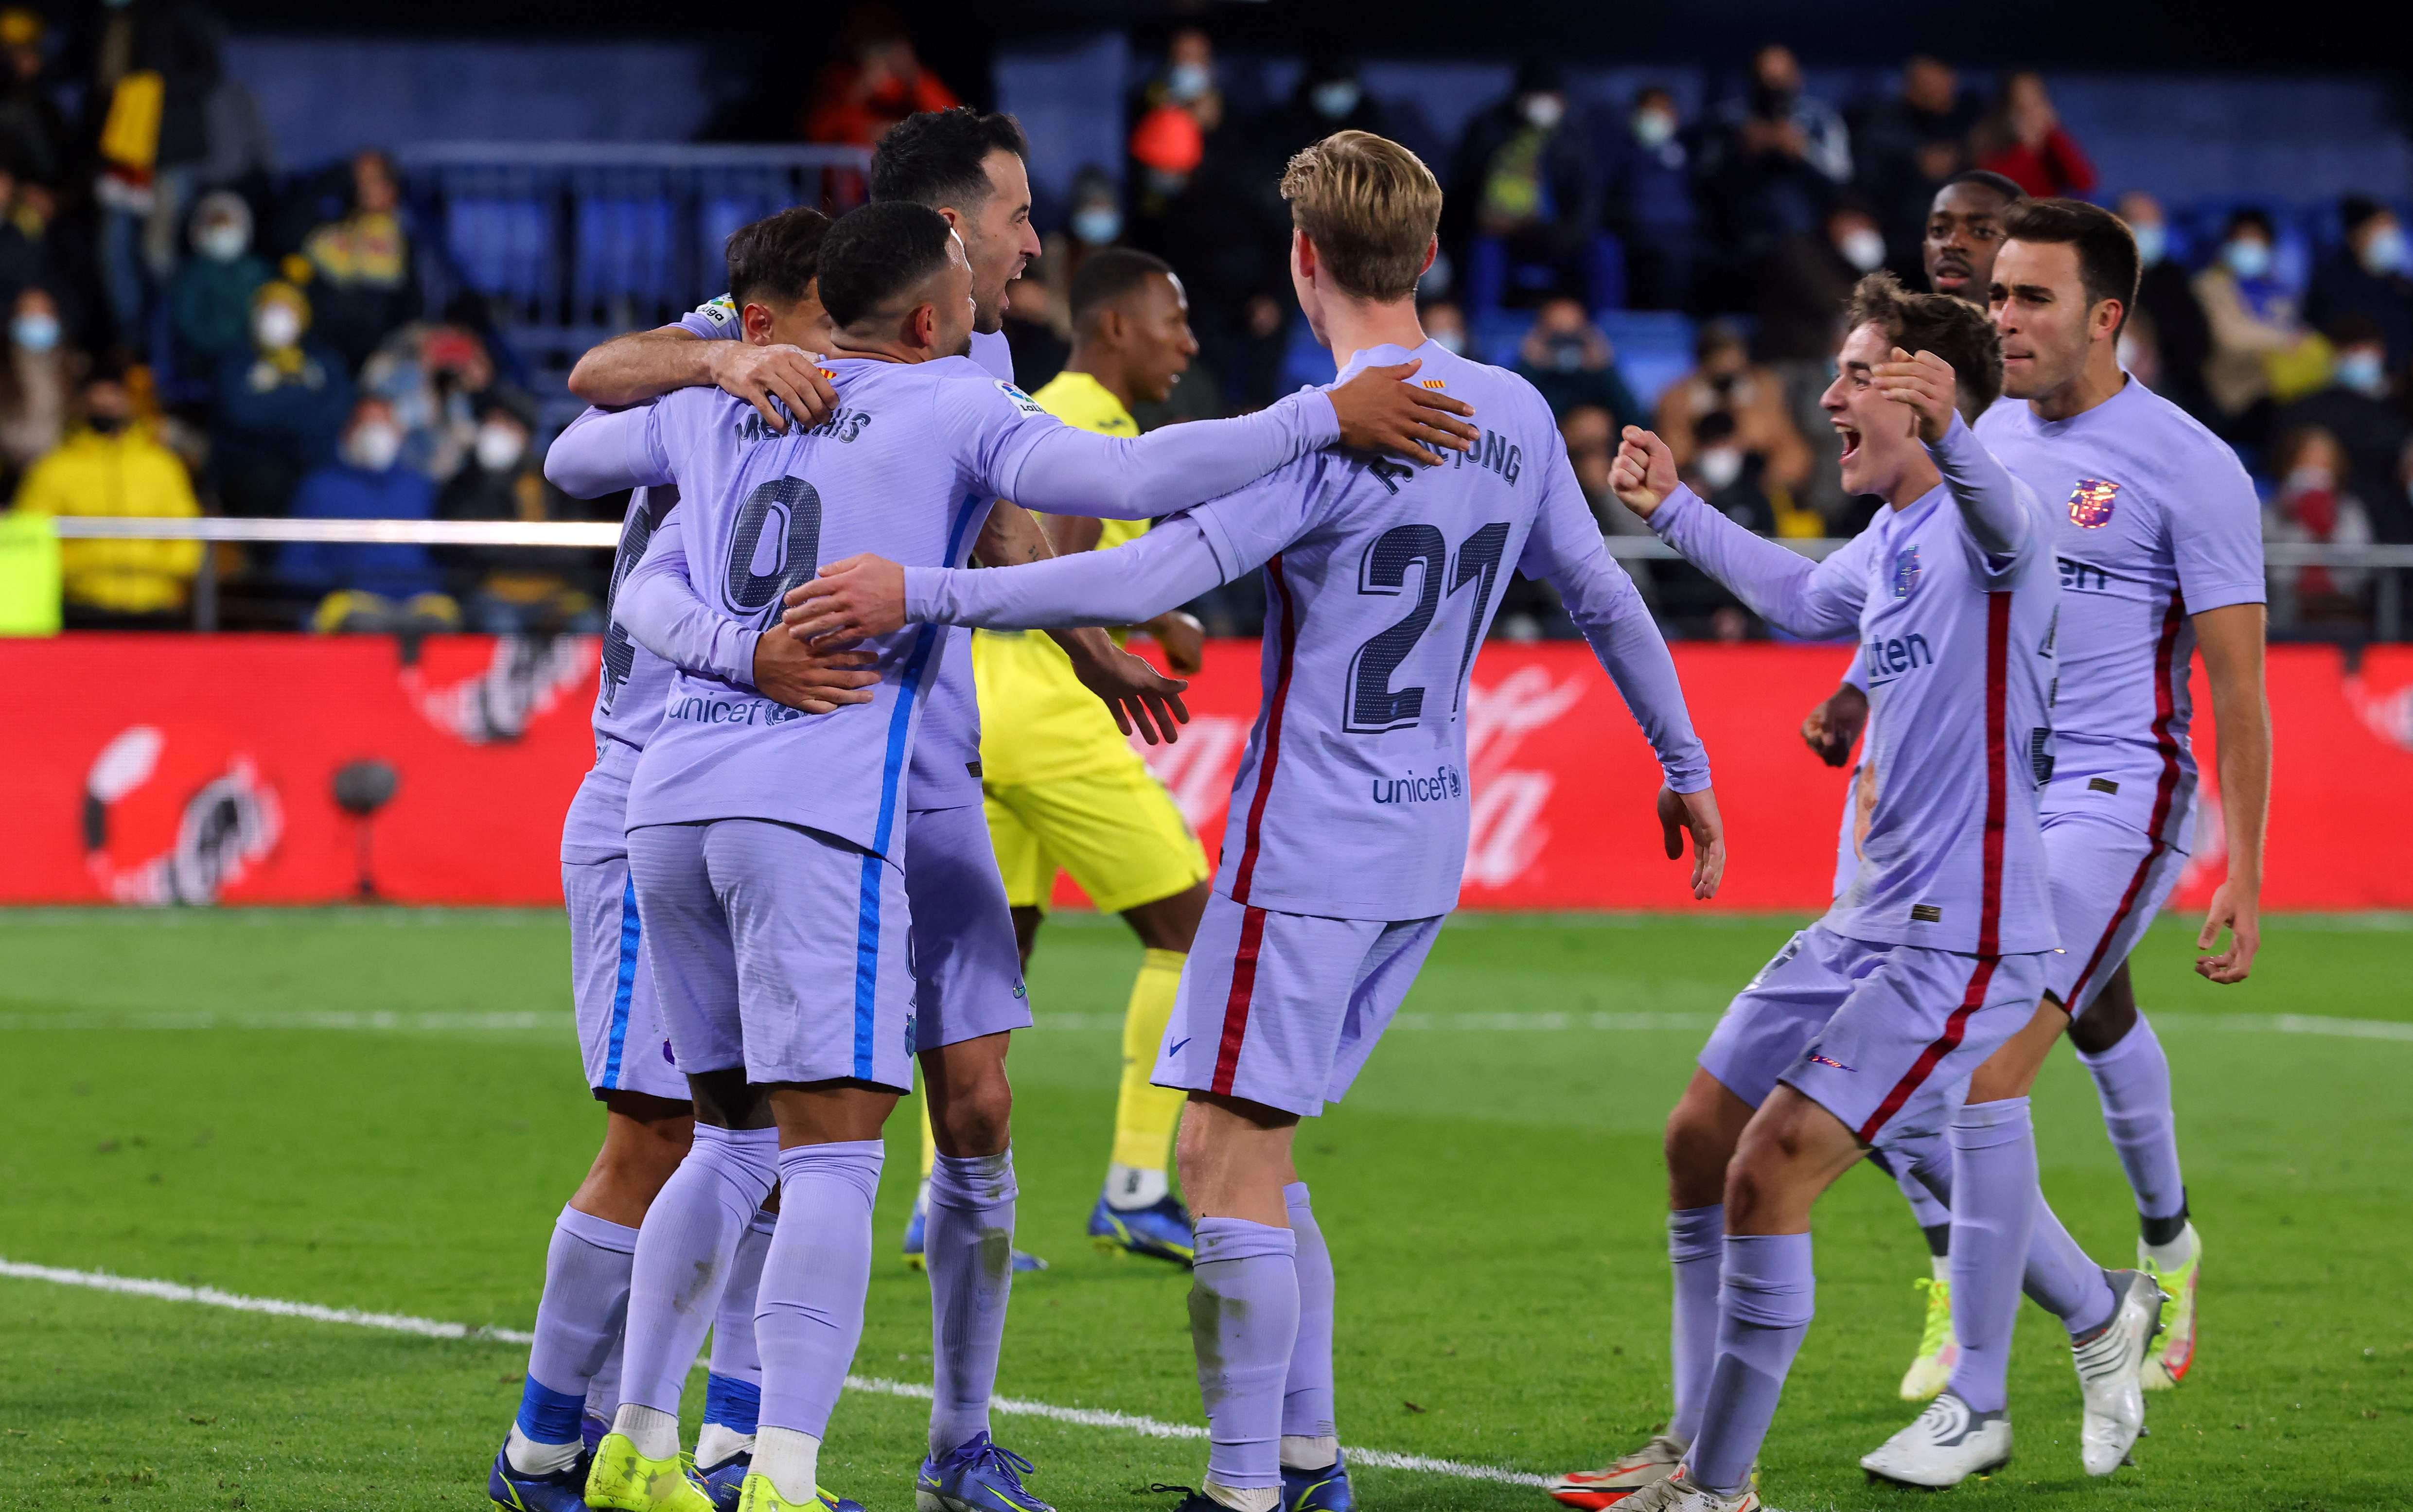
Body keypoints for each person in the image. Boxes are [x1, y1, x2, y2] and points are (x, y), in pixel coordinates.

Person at [782, 129, 1721, 1512]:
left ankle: (1244, 1490)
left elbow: (1148, 569)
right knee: (1259, 1150)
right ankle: (1305, 1458)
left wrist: (919, 591)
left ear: (1299, 258)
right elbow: (1599, 592)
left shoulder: (1339, 423)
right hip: (1424, 841)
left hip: (1311, 844)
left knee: (1220, 1155)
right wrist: (1685, 756)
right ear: (1429, 252)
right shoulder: (1514, 409)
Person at [546, 194, 1473, 1512]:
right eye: (974, 292)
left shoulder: (738, 399)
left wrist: (715, 376)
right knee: (834, 1152)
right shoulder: (951, 404)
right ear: (927, 315)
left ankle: (637, 1440)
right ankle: (784, 1477)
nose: (994, 305)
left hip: (671, 795)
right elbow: (1138, 484)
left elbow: (605, 502)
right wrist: (1325, 414)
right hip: (811, 806)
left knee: (729, 1135)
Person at [1555, 275, 2060, 1512]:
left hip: (1956, 933)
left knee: (1770, 1171)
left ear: (1923, 393)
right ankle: (1687, 1441)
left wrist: (1953, 430)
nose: (1827, 398)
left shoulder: (2002, 523)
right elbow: (1795, 601)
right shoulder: (1893, 539)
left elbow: (2002, 518)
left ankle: (1717, 1490)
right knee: (1698, 1140)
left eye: (1854, 377)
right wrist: (1674, 506)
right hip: (1860, 923)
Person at [1855, 197, 2270, 1483]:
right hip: (1989, 798)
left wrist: (2242, 869)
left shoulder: (2186, 461)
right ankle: (2103, 1303)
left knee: (1978, 1073)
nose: (2003, 317)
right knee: (1880, 1087)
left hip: (2115, 798)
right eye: (1998, 295)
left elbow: (2239, 690)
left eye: (2032, 299)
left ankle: (1976, 1400)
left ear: (2107, 317)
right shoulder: (1979, 444)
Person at [485, 209, 881, 1512]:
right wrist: (715, 358)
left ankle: (723, 1443)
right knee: (661, 1129)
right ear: (765, 317)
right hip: (658, 785)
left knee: (780, 1138)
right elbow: (577, 426)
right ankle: (548, 1443)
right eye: (827, 322)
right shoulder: (703, 377)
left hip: (785, 798)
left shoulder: (892, 383)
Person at [964, 246, 1219, 1263]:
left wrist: (1153, 605)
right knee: (1195, 931)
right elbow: (1053, 563)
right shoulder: (1096, 421)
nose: (1187, 345)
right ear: (1116, 327)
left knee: (992, 964)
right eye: (1174, 323)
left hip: (981, 714)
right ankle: (1135, 1183)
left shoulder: (1035, 401)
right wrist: (1153, 618)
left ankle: (950, 1203)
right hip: (1053, 712)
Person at [14, 366, 203, 627]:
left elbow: (188, 536)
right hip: (81, 608)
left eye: (114, 396)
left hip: (156, 608)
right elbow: (28, 538)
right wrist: (79, 572)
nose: (106, 405)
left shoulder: (162, 466)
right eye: (97, 398)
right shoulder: (54, 468)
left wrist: (156, 570)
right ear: (82, 404)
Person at [278, 395, 457, 632]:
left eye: (383, 424)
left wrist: (427, 585)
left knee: (442, 625)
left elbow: (445, 559)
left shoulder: (421, 487)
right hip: (351, 604)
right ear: (348, 432)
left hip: (420, 604)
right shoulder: (319, 488)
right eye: (367, 423)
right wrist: (343, 583)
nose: (376, 433)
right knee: (363, 627)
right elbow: (294, 567)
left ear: (399, 433)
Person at [1444, 57, 1607, 316]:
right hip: (1505, 237)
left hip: (1561, 236)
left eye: (1550, 96)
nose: (1543, 103)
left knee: (1603, 250)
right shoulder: (1490, 129)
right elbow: (1467, 195)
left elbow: (1588, 201)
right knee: (1484, 252)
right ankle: (1484, 334)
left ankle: (1602, 337)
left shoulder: (1576, 136)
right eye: (1536, 95)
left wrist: (1561, 236)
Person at [438, 394, 603, 633]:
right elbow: (473, 548)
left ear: (525, 435)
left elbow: (577, 548)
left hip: (556, 594)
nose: (494, 432)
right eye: (490, 423)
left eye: (505, 425)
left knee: (589, 623)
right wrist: (538, 550)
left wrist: (523, 552)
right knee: (502, 625)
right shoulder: (466, 484)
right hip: (493, 594)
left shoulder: (555, 482)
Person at [1696, 45, 1851, 282]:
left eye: (1781, 79)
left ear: (1797, 78)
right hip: (1740, 231)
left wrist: (1802, 150)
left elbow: (1842, 175)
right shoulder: (1728, 121)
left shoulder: (1821, 119)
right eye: (1765, 79)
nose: (1774, 88)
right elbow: (1705, 178)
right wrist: (1743, 152)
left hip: (1807, 233)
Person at [211, 280, 353, 516]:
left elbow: (337, 413)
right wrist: (303, 397)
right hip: (252, 469)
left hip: (314, 465)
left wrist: (274, 398)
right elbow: (241, 414)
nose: (277, 319)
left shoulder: (324, 361)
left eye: (287, 310)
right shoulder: (236, 360)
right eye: (270, 310)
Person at [1653, 320, 1812, 527]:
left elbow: (1792, 456)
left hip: (1755, 487)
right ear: (1703, 362)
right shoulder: (1676, 399)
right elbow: (1674, 453)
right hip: (1698, 491)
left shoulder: (1764, 390)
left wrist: (1766, 487)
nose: (1727, 366)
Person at [2275, 316, 2413, 544]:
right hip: (2324, 515)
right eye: (2356, 349)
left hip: (2389, 518)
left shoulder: (2393, 411)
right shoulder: (2305, 409)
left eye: (2372, 350)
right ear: (2335, 354)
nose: (2365, 358)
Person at [2195, 207, 2325, 442]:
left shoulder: (2278, 290)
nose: (2250, 248)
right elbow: (2230, 337)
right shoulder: (2210, 285)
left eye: (2257, 241)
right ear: (2227, 244)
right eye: (2242, 240)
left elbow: (2300, 332)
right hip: (2230, 394)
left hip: (2279, 391)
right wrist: (2286, 340)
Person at [1851, 56, 1982, 275]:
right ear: (1910, 87)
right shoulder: (1884, 127)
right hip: (1897, 237)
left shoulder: (1967, 124)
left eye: (1944, 86)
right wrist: (1913, 161)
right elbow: (1868, 185)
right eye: (1927, 88)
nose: (1938, 94)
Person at [300, 149, 419, 371]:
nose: (362, 186)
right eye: (358, 179)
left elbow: (412, 308)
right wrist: (337, 178)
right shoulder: (330, 230)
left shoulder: (405, 241)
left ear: (390, 190)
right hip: (319, 351)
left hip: (376, 357)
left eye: (371, 179)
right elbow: (287, 233)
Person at [2116, 191, 2215, 424]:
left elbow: (2199, 338)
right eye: (2140, 224)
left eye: (2154, 224)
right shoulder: (2098, 276)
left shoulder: (2173, 275)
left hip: (2174, 382)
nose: (2148, 232)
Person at [1602, 85, 1700, 311]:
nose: (1654, 118)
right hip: (1633, 236)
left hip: (1679, 238)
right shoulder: (1619, 153)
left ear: (1674, 115)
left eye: (1661, 110)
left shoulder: (1690, 153)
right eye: (1649, 111)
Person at [2263, 425, 2374, 624]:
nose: (2315, 471)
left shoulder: (2349, 511)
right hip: (2284, 612)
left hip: (2342, 609)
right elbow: (2274, 572)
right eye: (2307, 461)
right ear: (2290, 465)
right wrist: (2298, 519)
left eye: (2324, 463)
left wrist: (2327, 525)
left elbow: (2359, 565)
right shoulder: (2273, 511)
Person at [802, 12, 959, 148]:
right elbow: (817, 134)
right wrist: (858, 95)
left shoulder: (915, 82)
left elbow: (955, 125)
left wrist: (915, 79)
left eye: (883, 35)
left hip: (907, 177)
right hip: (856, 178)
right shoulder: (840, 79)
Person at [2305, 194, 2413, 374]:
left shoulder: (2402, 286)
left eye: (2393, 228)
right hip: (2347, 379)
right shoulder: (2331, 282)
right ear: (2356, 236)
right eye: (2381, 229)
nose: (2390, 237)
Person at [169, 189, 271, 378]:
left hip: (256, 357)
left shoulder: (258, 269)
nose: (223, 232)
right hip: (209, 361)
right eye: (216, 226)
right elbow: (187, 321)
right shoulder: (192, 273)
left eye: (229, 225)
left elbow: (271, 308)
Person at [1513, 296, 1643, 426]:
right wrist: (1530, 366)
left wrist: (1606, 368)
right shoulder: (1531, 373)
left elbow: (1634, 421)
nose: (1565, 348)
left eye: (1573, 337)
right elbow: (1510, 418)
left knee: (1592, 425)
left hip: (1595, 440)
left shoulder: (1597, 373)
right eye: (1557, 338)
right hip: (1543, 438)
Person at [1973, 72, 2096, 200]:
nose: (2032, 113)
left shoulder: (2052, 143)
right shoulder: (1990, 143)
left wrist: (2054, 132)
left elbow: (2085, 183)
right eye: (2022, 107)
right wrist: (2026, 149)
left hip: (2047, 215)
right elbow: (1999, 190)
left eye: (2036, 102)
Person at [0, 283, 68, 482]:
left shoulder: (72, 367)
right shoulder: (5, 366)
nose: (37, 318)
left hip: (57, 468)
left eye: (43, 311)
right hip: (9, 469)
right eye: (29, 311)